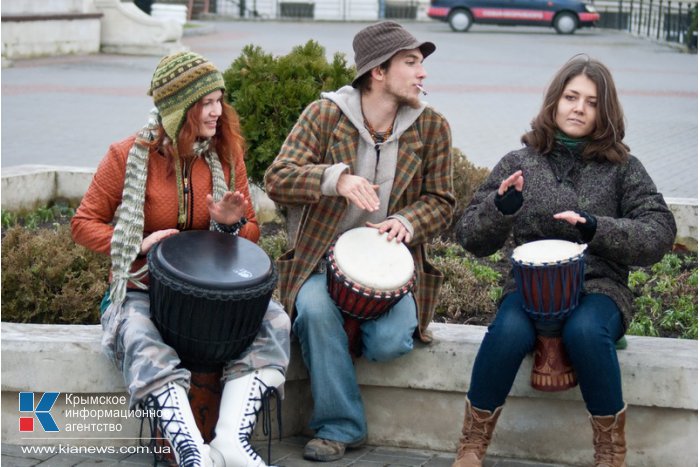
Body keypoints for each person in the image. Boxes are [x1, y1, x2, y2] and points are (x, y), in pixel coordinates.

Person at [452, 55, 677, 467]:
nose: (579, 108)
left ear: (603, 112)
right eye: (571, 97)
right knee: (506, 333)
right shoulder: (519, 162)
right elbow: (469, 236)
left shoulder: (622, 168)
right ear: (554, 102)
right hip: (528, 287)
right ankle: (471, 446)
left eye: (591, 102)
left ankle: (610, 453)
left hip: (599, 287)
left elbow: (660, 233)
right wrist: (501, 207)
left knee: (587, 332)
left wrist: (596, 228)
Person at [71, 51, 291, 467]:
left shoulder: (227, 156)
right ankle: (191, 452)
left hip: (217, 296)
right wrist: (137, 240)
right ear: (178, 110)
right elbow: (83, 223)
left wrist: (230, 224)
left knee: (275, 319)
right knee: (137, 332)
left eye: (219, 100)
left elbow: (252, 236)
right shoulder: (125, 156)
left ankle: (231, 440)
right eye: (206, 102)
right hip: (143, 288)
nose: (217, 111)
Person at [263, 20, 455, 462]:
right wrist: (335, 179)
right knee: (314, 312)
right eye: (411, 62)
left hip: (391, 272)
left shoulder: (432, 127)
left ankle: (344, 340)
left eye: (422, 63)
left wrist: (408, 220)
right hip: (319, 261)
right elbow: (278, 177)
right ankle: (339, 427)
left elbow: (442, 200)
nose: (422, 73)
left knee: (390, 342)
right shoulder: (325, 115)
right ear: (378, 73)